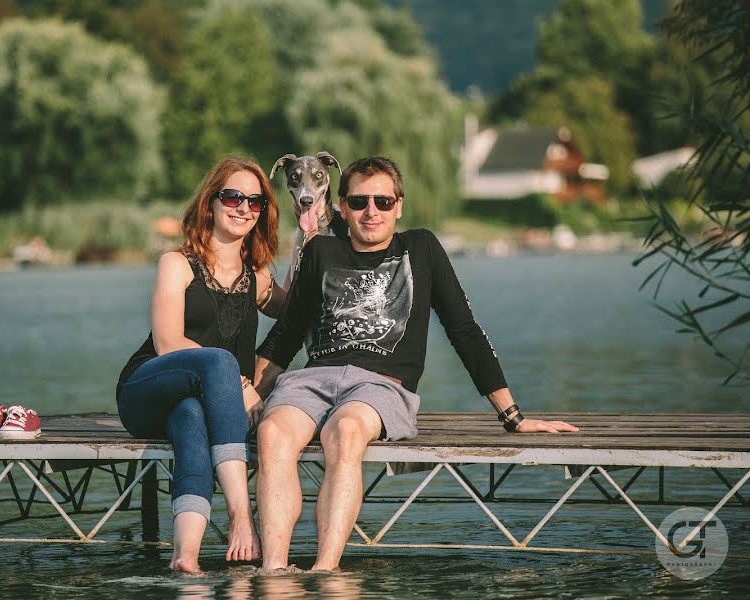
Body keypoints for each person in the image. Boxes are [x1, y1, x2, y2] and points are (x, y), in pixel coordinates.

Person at [252, 156, 579, 571]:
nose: (371, 211)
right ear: (342, 206)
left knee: (346, 431)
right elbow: (285, 336)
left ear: (399, 206)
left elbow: (464, 330)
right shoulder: (320, 250)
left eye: (383, 202)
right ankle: (274, 575)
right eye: (359, 202)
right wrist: (247, 393)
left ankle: (325, 573)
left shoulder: (421, 248)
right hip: (313, 378)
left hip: (380, 386)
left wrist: (512, 416)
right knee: (272, 433)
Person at [116, 157, 284, 573]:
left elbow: (297, 310)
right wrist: (241, 383)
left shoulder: (256, 278)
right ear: (210, 202)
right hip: (147, 388)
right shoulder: (177, 264)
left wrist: (311, 236)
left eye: (255, 202)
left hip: (200, 405)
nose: (244, 207)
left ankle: (184, 556)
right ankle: (241, 518)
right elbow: (168, 342)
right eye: (233, 197)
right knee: (219, 363)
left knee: (191, 422)